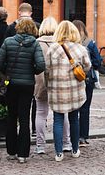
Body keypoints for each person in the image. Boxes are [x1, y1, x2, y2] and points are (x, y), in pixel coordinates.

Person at [0, 18, 45, 163]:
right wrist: (32, 71)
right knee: (24, 118)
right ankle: (23, 154)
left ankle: (11, 151)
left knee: (11, 117)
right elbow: (41, 65)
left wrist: (8, 71)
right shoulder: (34, 43)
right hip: (27, 84)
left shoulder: (8, 41)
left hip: (11, 83)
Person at [44, 20, 91, 162]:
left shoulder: (52, 49)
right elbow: (87, 66)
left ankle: (59, 152)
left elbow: (46, 69)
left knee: (58, 120)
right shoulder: (80, 48)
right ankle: (75, 149)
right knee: (74, 119)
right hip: (74, 89)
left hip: (57, 88)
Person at [34, 16, 72, 154]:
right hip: (58, 82)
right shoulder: (62, 44)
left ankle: (40, 145)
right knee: (62, 113)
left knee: (40, 113)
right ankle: (66, 142)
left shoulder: (37, 43)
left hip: (40, 82)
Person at [72, 20, 101, 146]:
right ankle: (83, 136)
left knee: (72, 108)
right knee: (85, 108)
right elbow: (97, 62)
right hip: (87, 78)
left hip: (72, 78)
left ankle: (71, 135)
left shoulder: (68, 44)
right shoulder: (90, 43)